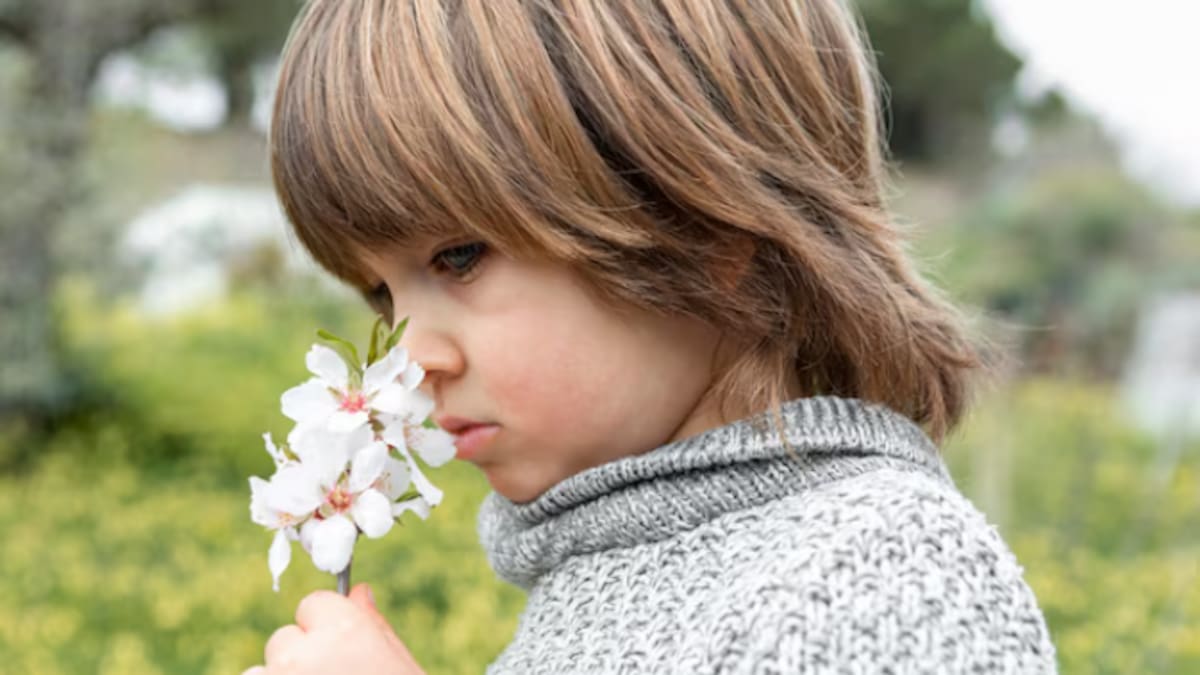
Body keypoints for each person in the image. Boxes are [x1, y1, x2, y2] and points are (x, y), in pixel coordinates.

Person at [245, 0, 1058, 672]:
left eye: (459, 256)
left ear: (708, 226)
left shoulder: (886, 575)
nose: (409, 360)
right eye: (381, 294)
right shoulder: (594, 585)